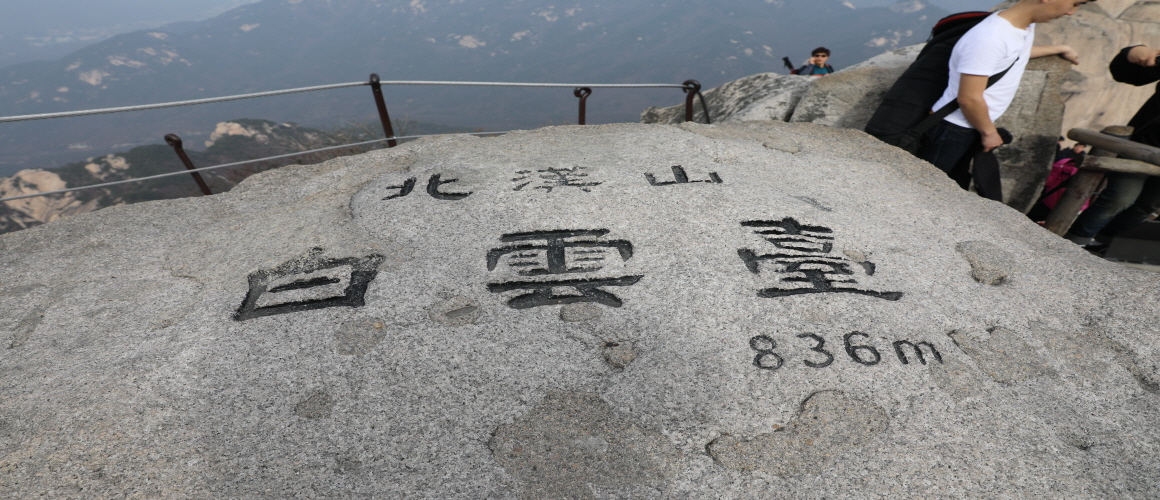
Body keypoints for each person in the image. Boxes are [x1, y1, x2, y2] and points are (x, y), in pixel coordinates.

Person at [916, 0, 1086, 179]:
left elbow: (1011, 53)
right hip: (953, 128)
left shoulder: (1020, 26)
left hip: (966, 125)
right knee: (924, 186)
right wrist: (989, 132)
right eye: (1075, 3)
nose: (1071, 12)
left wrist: (1059, 48)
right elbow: (969, 98)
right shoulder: (990, 37)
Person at [1065, 44, 1160, 247]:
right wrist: (1132, 53)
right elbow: (1129, 74)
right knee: (1120, 198)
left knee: (1146, 207)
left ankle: (1106, 244)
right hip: (1144, 143)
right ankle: (1074, 242)